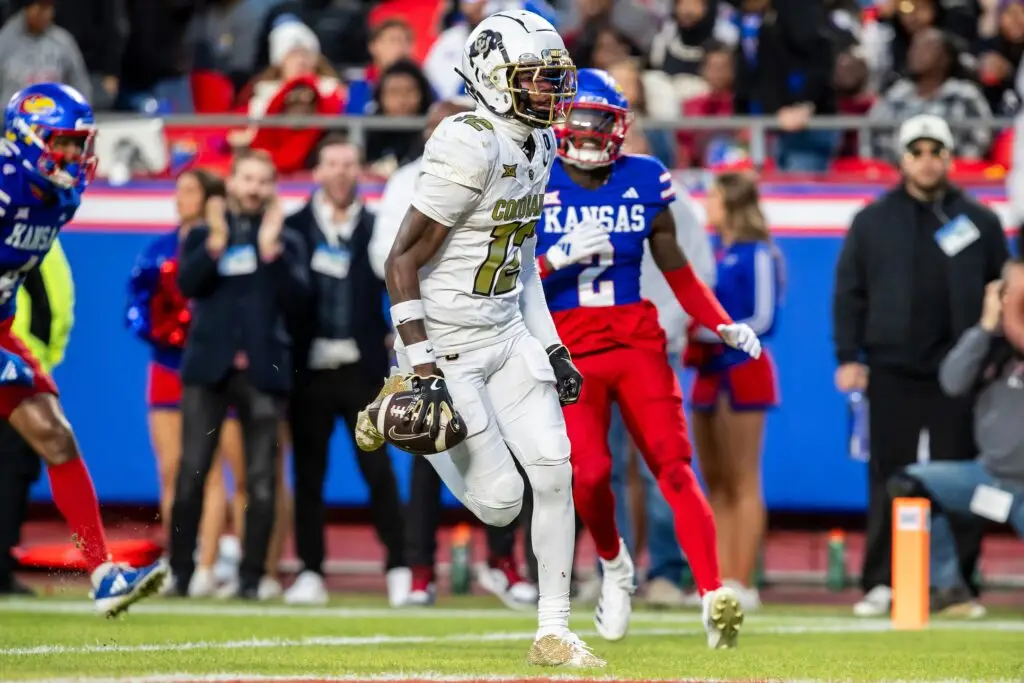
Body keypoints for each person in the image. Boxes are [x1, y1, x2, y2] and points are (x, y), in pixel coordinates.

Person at [355, 10, 604, 667]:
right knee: (500, 504)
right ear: (494, 80)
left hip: (507, 333)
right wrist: (423, 368)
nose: (552, 93)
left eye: (555, 79)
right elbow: (400, 261)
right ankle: (398, 406)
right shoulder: (469, 140)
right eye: (536, 78)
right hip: (450, 345)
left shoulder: (540, 143)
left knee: (555, 469)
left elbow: (519, 261)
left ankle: (553, 628)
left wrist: (551, 345)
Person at [534, 68, 757, 647]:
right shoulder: (533, 183)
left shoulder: (645, 179)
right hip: (569, 349)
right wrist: (556, 259)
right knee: (590, 476)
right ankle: (614, 564)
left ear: (619, 126)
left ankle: (712, 593)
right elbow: (506, 284)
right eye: (578, 119)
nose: (587, 132)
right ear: (560, 122)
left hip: (635, 341)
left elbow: (678, 271)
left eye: (599, 121)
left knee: (673, 465)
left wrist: (722, 323)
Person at [833, 114, 1008, 618]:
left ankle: (956, 585)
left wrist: (994, 360)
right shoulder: (872, 220)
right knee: (888, 474)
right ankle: (882, 581)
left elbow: (1004, 291)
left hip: (961, 374)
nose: (927, 161)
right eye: (917, 152)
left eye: (936, 151)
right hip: (891, 368)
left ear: (950, 158)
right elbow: (850, 293)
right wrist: (848, 356)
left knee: (961, 477)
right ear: (902, 158)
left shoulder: (980, 221)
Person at [0, 82, 166, 614]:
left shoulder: (59, 198)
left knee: (54, 434)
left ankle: (102, 573)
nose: (73, 155)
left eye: (79, 144)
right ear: (25, 139)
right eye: (63, 142)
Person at [373, 99, 540, 610]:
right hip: (436, 337)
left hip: (494, 327)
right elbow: (393, 259)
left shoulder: (504, 164)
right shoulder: (408, 181)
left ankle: (502, 561)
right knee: (432, 449)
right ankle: (421, 569)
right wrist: (410, 338)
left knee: (514, 446)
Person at [170, 149, 310, 600]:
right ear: (231, 182)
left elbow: (301, 303)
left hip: (264, 373)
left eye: (263, 181)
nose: (254, 188)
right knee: (191, 472)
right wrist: (214, 241)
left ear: (273, 188)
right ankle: (181, 573)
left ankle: (252, 579)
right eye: (247, 178)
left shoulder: (286, 241)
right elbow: (187, 285)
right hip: (209, 369)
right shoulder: (204, 233)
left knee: (262, 480)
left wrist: (271, 251)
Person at [284, 135, 410, 607]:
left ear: (360, 171)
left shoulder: (377, 229)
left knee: (378, 471)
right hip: (310, 369)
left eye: (349, 163)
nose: (340, 172)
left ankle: (398, 566)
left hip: (362, 369)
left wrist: (394, 335)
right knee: (309, 474)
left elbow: (398, 283)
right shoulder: (293, 226)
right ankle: (311, 570)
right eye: (332, 163)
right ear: (316, 171)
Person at [125, 168, 247, 597]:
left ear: (211, 197)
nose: (181, 198)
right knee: (172, 470)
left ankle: (207, 566)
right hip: (167, 364)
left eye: (191, 190)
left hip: (213, 367)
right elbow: (137, 304)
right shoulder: (158, 248)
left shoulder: (230, 240)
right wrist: (166, 332)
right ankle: (179, 555)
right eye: (179, 191)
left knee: (210, 470)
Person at [889, 270, 1024, 617]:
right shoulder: (992, 353)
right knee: (911, 484)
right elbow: (951, 382)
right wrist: (985, 326)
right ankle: (946, 586)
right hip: (990, 483)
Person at [686, 171, 783, 612]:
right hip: (708, 371)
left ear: (730, 203)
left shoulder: (755, 252)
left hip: (742, 370)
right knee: (716, 482)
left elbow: (762, 318)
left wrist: (710, 333)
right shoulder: (715, 251)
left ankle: (743, 579)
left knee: (744, 480)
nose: (708, 204)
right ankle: (717, 580)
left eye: (714, 197)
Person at [0, 235, 73, 595]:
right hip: (17, 365)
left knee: (15, 470)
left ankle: (2, 563)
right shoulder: (35, 233)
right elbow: (51, 308)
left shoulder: (37, 231)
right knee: (15, 468)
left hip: (20, 364)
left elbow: (53, 306)